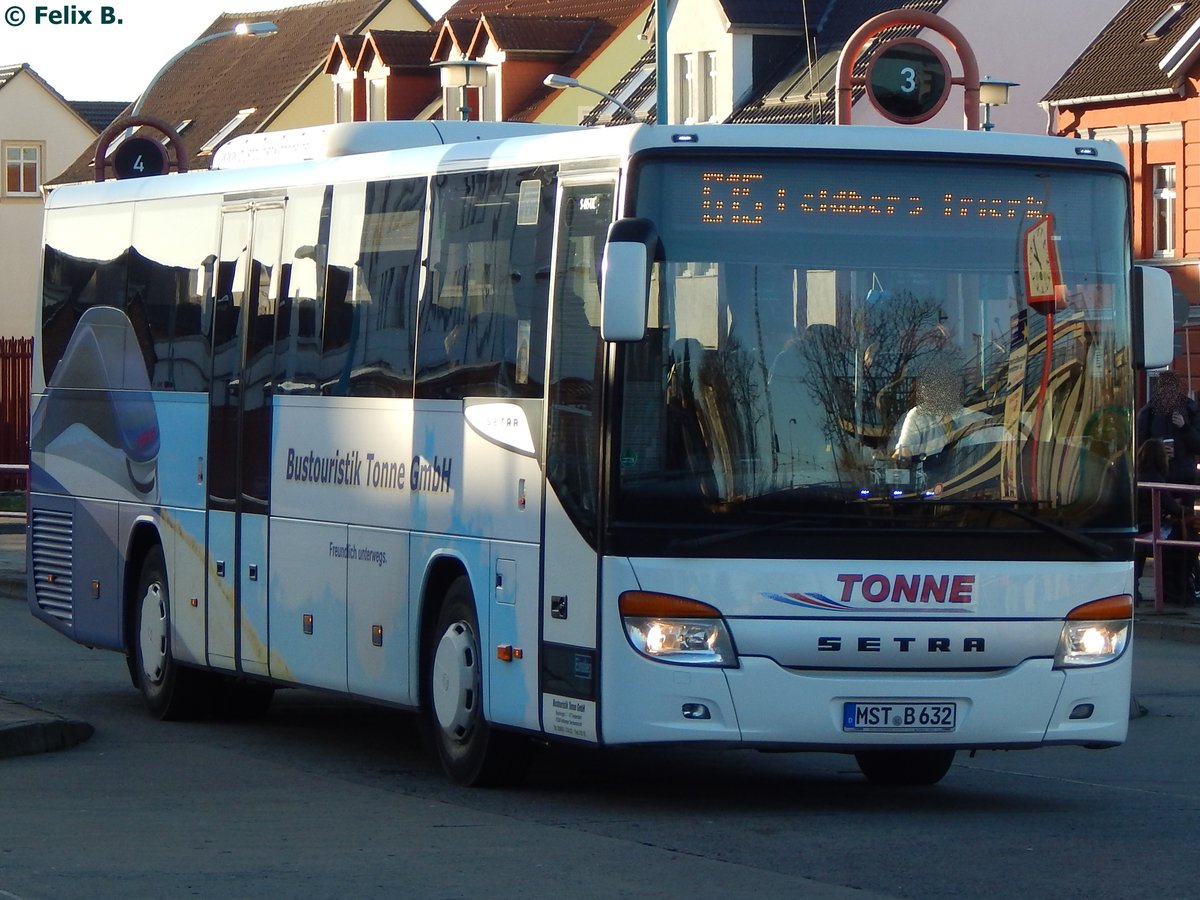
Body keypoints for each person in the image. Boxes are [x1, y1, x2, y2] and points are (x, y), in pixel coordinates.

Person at [1136, 372, 1200, 604]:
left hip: (1182, 480)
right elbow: (1140, 444)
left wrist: (1184, 428)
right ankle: (1172, 588)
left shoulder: (1190, 410)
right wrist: (1158, 450)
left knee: (1184, 532)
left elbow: (1197, 444)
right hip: (1158, 477)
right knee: (1162, 530)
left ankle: (1185, 584)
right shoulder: (1148, 412)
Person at [1135, 438, 1187, 604]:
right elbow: (1174, 509)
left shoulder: (1135, 477)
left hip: (1136, 530)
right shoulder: (1156, 479)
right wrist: (1183, 509)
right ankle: (1176, 591)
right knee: (1185, 540)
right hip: (1150, 531)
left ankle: (1135, 590)